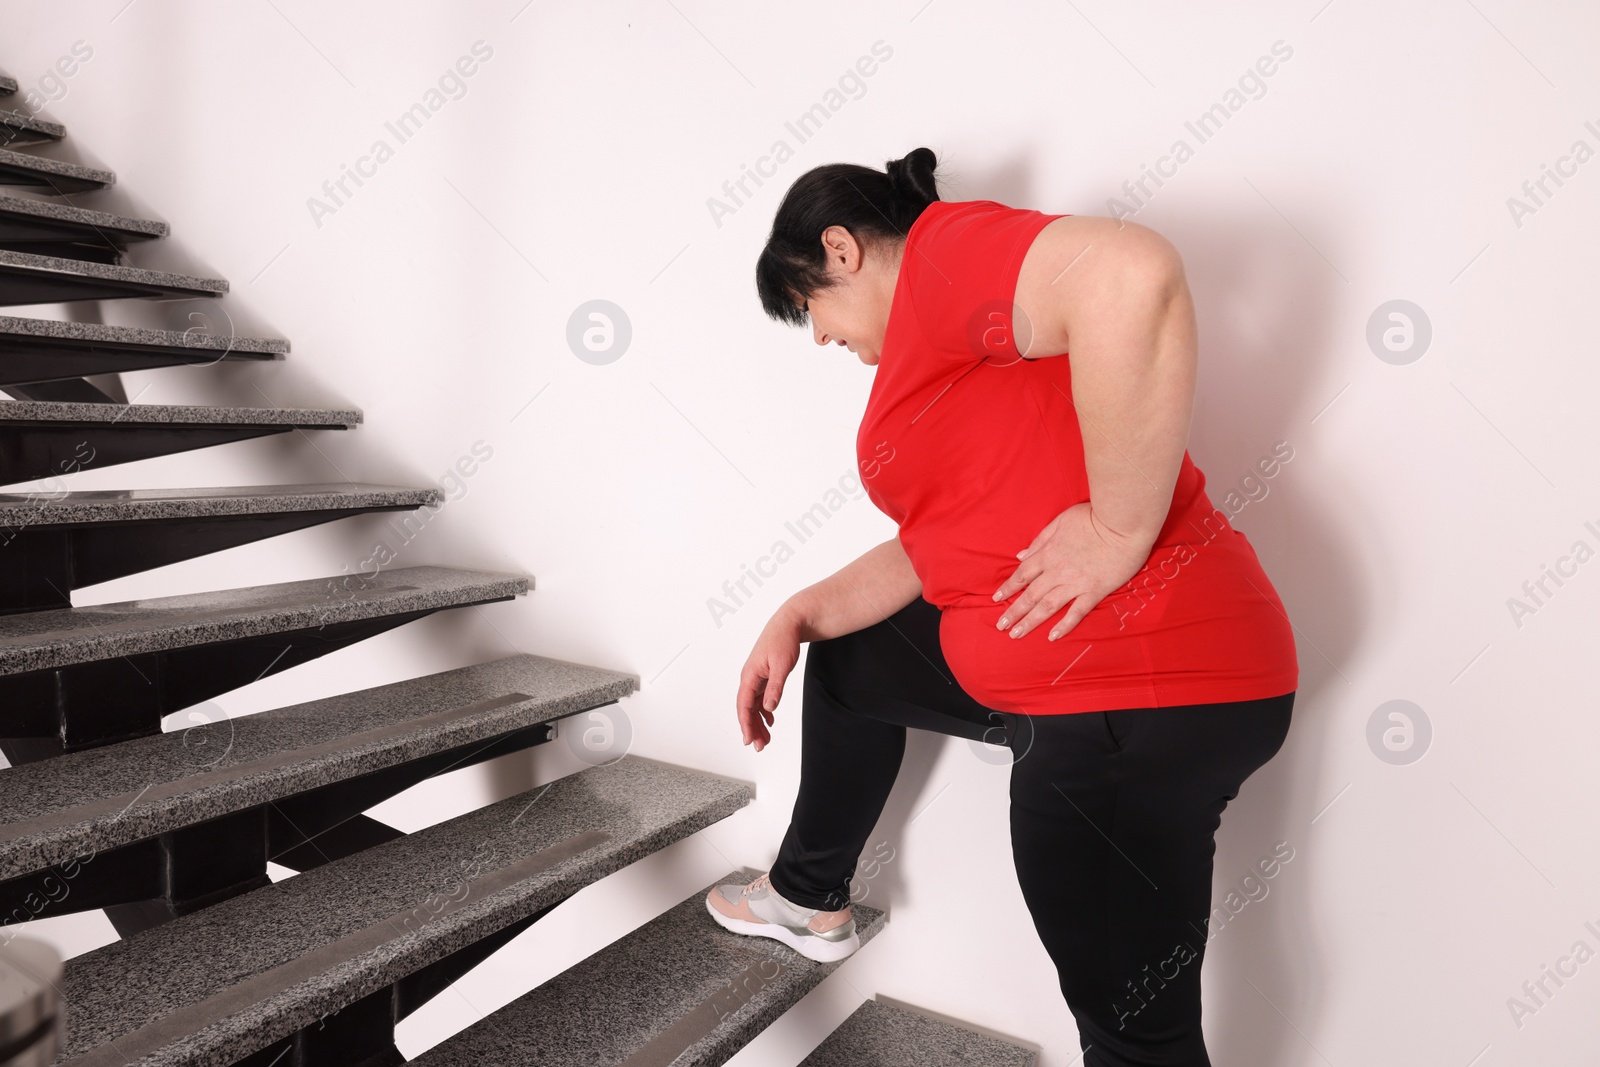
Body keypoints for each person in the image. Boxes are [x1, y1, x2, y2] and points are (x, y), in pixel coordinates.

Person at [704, 146, 1299, 1067]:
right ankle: (807, 894)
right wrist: (800, 609)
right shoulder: (966, 348)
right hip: (1094, 677)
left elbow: (1131, 273)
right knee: (857, 660)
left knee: (1132, 1031)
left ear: (843, 248)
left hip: (1137, 696)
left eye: (806, 306)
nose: (817, 337)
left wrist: (1118, 530)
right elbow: (943, 539)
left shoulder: (943, 255)